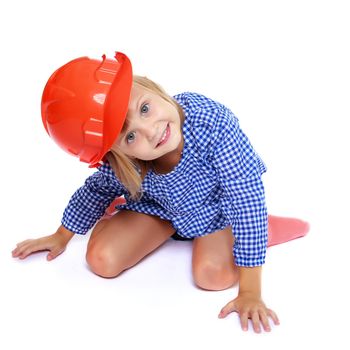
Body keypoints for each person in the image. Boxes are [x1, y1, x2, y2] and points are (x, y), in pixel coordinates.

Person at [12, 52, 309, 333]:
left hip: (214, 211)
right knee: (102, 260)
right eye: (129, 136)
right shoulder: (124, 164)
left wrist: (250, 291)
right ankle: (118, 216)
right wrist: (62, 235)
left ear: (150, 86)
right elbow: (95, 189)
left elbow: (245, 198)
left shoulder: (212, 124)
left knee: (213, 275)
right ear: (115, 154)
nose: (151, 130)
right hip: (159, 209)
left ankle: (264, 230)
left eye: (144, 108)